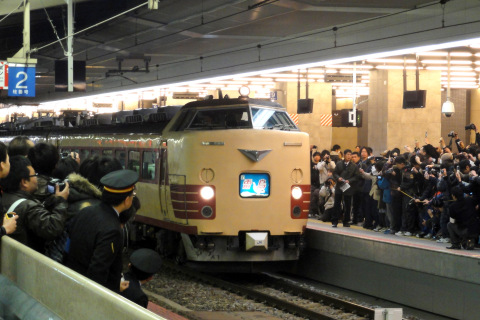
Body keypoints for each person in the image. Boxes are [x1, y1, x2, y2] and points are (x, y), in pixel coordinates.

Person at [66, 169, 139, 293]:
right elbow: (98, 272)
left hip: (72, 280)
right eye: (133, 195)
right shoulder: (112, 229)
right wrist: (115, 287)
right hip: (88, 294)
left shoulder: (86, 211)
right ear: (127, 200)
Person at [0, 156, 69, 253]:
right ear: (24, 182)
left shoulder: (4, 197)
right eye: (34, 175)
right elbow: (52, 228)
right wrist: (61, 200)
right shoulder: (28, 207)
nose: (36, 178)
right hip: (26, 260)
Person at [331, 149, 359, 227]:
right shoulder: (339, 164)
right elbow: (335, 173)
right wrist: (338, 178)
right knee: (337, 204)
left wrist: (349, 181)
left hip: (348, 187)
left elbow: (356, 177)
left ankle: (346, 221)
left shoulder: (354, 166)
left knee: (348, 204)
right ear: (344, 155)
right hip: (339, 186)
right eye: (347, 154)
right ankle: (334, 221)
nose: (349, 156)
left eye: (350, 154)